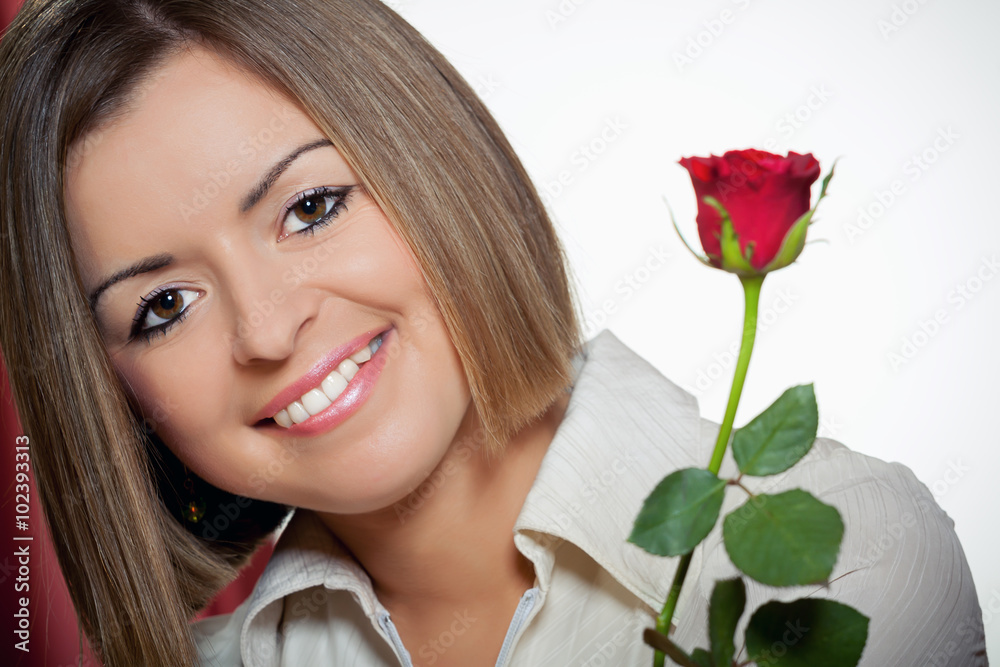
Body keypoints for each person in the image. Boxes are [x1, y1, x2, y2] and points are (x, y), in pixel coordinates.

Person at [0, 1, 986, 666]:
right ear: (114, 393)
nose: (267, 327)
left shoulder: (844, 556)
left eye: (309, 207)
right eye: (163, 306)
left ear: (436, 168)